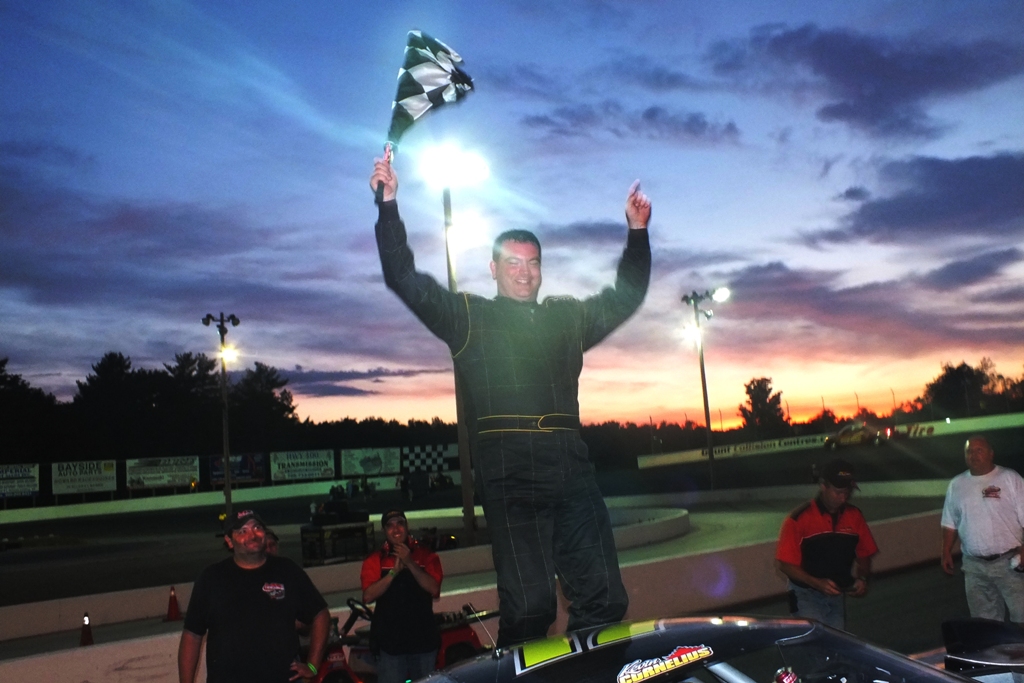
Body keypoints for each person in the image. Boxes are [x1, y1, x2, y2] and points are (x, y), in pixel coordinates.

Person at [369, 157, 651, 646]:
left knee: (606, 597)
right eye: (513, 263)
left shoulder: (567, 318)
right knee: (531, 608)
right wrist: (388, 204)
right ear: (494, 269)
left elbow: (625, 296)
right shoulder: (468, 317)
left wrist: (637, 233)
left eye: (533, 262)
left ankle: (581, 671)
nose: (524, 273)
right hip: (509, 473)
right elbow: (404, 277)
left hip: (571, 467)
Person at [178, 510, 330, 683]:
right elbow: (192, 636)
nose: (252, 535)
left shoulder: (287, 570)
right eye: (243, 531)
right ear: (229, 541)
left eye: (257, 528)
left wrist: (312, 666)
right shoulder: (211, 578)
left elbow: (321, 614)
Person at [775, 458, 878, 629]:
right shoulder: (798, 519)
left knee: (835, 641)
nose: (843, 498)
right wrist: (817, 583)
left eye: (847, 492)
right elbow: (785, 565)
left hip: (836, 594)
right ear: (823, 486)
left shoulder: (854, 516)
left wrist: (862, 578)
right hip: (805, 595)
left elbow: (864, 553)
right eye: (838, 492)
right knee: (815, 639)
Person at [941, 435, 1024, 624]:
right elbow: (949, 522)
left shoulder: (1010, 478)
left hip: (1010, 563)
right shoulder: (956, 485)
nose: (974, 455)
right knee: (985, 623)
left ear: (991, 453)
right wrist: (945, 551)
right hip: (974, 567)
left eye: (979, 450)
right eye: (969, 451)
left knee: (1022, 617)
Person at [360, 509, 443, 683]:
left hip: (424, 644)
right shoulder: (375, 559)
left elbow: (434, 589)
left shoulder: (426, 555)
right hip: (390, 648)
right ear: (384, 531)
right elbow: (367, 596)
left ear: (407, 526)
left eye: (400, 523)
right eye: (390, 526)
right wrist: (393, 573)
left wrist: (410, 563)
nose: (396, 529)